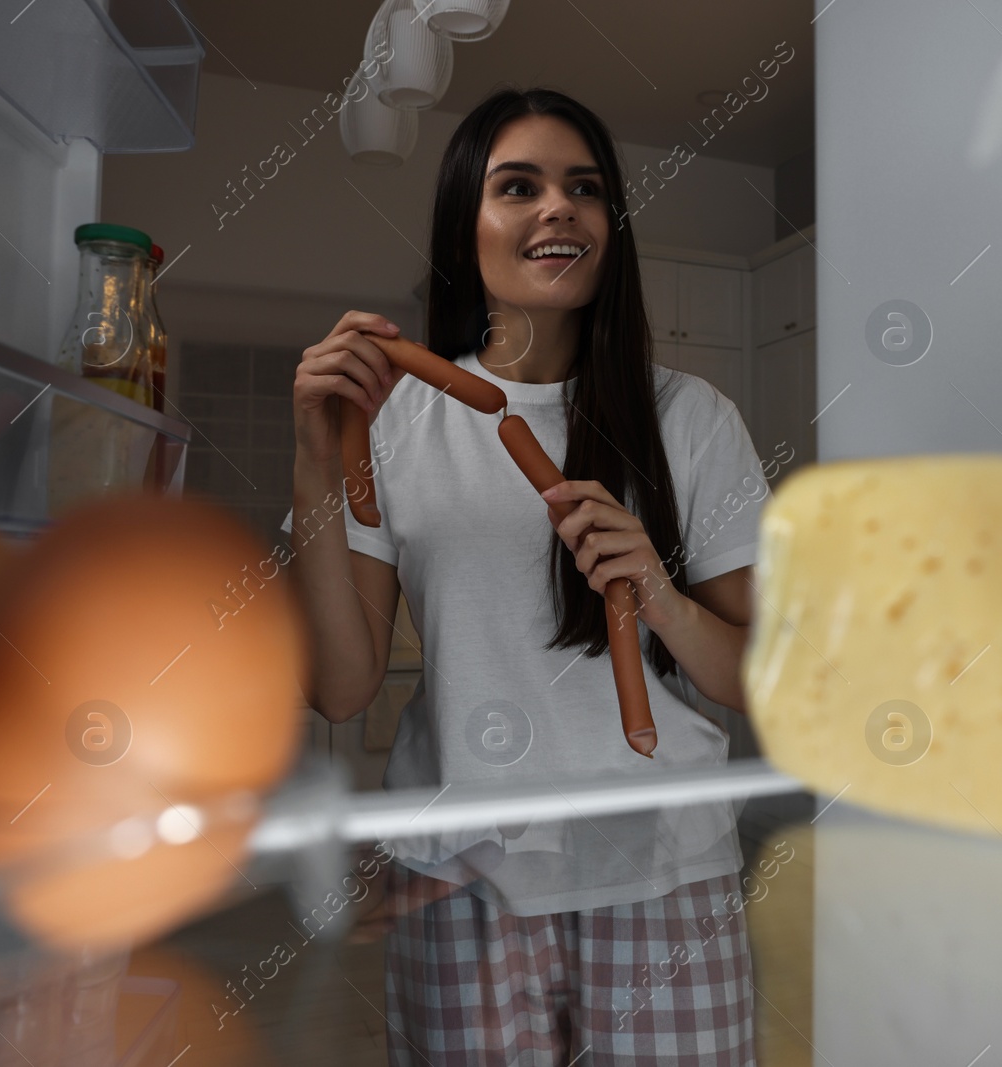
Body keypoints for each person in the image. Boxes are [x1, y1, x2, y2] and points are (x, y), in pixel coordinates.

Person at [283, 87, 769, 1066]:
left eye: (583, 189)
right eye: (519, 186)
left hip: (663, 862)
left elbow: (762, 675)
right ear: (467, 228)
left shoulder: (693, 417)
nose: (558, 208)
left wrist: (662, 597)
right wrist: (311, 457)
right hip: (465, 869)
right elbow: (340, 683)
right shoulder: (391, 428)